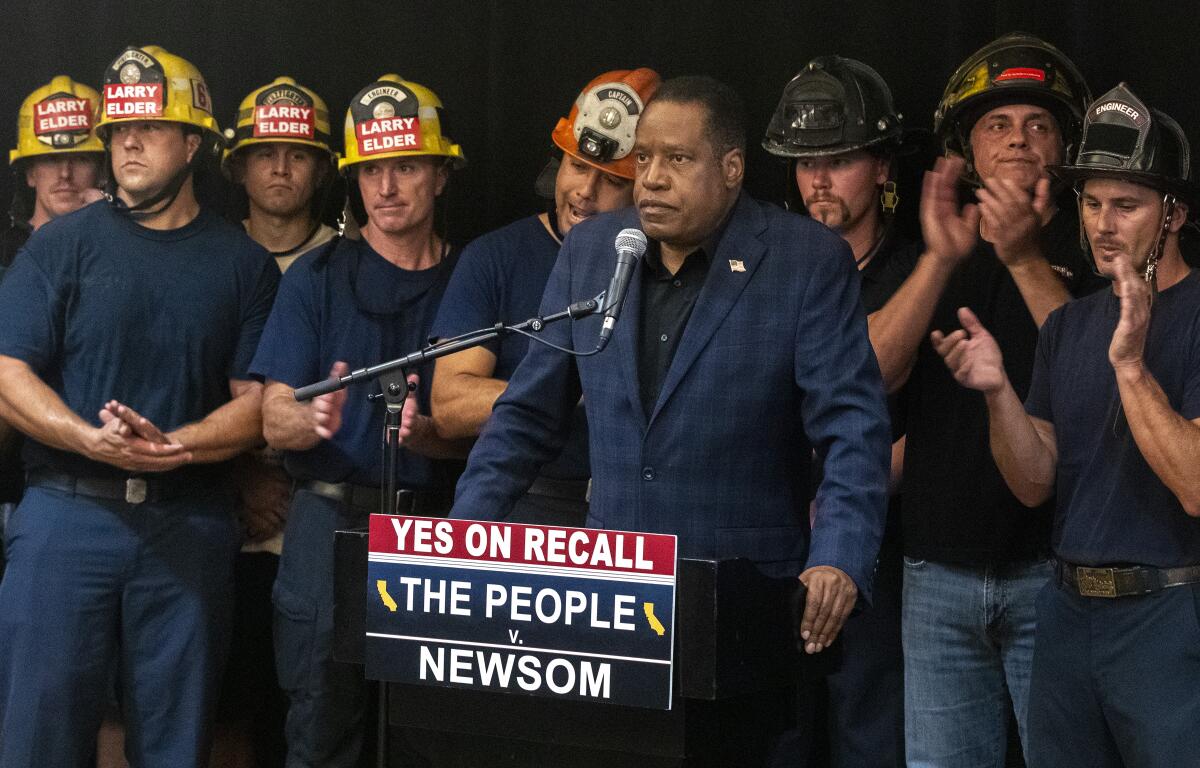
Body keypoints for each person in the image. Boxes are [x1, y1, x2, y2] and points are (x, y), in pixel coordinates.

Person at [448, 75, 890, 766]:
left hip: (745, 607)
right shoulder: (594, 251)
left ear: (732, 169)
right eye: (645, 157)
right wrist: (465, 536)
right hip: (615, 602)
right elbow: (526, 416)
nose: (651, 178)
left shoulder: (806, 261)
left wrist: (839, 555)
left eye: (677, 160)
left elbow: (852, 429)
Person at [0, 45, 279, 767]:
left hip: (187, 524)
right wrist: (87, 438)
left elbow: (258, 405)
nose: (127, 139)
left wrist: (175, 444)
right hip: (66, 516)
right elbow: (6, 373)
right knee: (38, 739)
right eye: (119, 127)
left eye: (150, 126)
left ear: (194, 143)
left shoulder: (242, 262)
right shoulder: (59, 247)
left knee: (176, 747)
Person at [936, 83, 1200, 768]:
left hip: (1170, 612)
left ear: (1174, 214)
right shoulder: (1068, 323)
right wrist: (996, 394)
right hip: (1066, 612)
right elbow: (1034, 482)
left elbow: (1198, 485)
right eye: (1090, 203)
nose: (1103, 224)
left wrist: (1132, 366)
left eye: (1127, 205)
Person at [866, 33, 1102, 765]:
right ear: (966, 148)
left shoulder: (1098, 246)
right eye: (997, 125)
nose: (1018, 140)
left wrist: (1026, 257)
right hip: (937, 574)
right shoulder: (931, 249)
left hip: (1055, 576)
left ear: (1065, 146)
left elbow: (1102, 386)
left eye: (1038, 125)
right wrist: (940, 257)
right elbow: (870, 378)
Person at [250, 74, 468, 767]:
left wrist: (439, 431)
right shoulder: (312, 278)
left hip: (440, 525)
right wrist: (307, 418)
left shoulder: (476, 276)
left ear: (440, 174)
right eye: (372, 169)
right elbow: (271, 418)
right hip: (328, 527)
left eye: (406, 166)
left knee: (431, 735)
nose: (388, 186)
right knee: (320, 730)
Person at [762, 54, 913, 768]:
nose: (817, 178)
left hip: (877, 550)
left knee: (867, 741)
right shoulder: (760, 270)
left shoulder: (917, 270)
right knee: (776, 738)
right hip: (773, 541)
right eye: (803, 161)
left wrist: (848, 494)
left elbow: (926, 415)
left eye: (840, 158)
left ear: (883, 168)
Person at [430, 67, 660, 527]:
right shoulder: (495, 257)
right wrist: (582, 389)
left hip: (638, 513)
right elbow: (449, 404)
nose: (584, 192)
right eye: (577, 166)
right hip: (528, 505)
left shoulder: (669, 264)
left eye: (611, 181)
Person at [216, 75, 342, 768]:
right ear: (238, 165)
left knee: (306, 719)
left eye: (298, 152)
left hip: (312, 529)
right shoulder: (208, 253)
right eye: (265, 152)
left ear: (324, 165)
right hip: (219, 527)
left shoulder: (347, 261)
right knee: (224, 709)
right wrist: (240, 477)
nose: (282, 167)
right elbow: (183, 390)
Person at [1, 75, 106, 567]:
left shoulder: (127, 253)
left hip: (90, 491)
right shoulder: (6, 258)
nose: (64, 173)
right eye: (49, 158)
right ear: (27, 172)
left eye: (81, 157)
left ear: (102, 167)